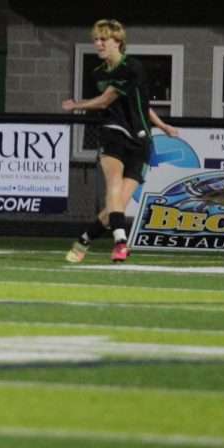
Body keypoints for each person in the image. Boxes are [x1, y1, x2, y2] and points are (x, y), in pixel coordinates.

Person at [61, 19, 179, 264]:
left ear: (118, 42)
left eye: (104, 39)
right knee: (113, 186)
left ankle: (83, 240)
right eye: (95, 39)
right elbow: (109, 105)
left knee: (117, 206)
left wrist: (77, 105)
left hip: (140, 142)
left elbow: (118, 102)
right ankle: (120, 243)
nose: (98, 43)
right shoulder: (99, 72)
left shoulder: (132, 67)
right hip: (112, 133)